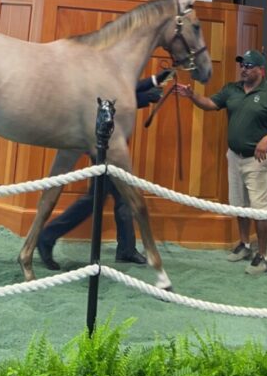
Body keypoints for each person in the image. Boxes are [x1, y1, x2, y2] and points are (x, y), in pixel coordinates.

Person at [37, 71, 174, 270]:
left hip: (110, 140)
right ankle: (47, 237)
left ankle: (126, 248)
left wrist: (157, 79)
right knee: (97, 197)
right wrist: (144, 97)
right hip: (102, 141)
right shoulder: (100, 68)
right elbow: (112, 98)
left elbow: (125, 89)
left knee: (122, 196)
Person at [176, 48, 267, 275]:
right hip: (234, 157)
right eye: (242, 65)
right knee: (240, 205)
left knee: (260, 210)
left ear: (260, 70)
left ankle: (263, 256)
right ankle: (245, 244)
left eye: (248, 66)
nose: (243, 69)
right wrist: (192, 96)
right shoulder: (232, 89)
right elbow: (210, 103)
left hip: (258, 161)